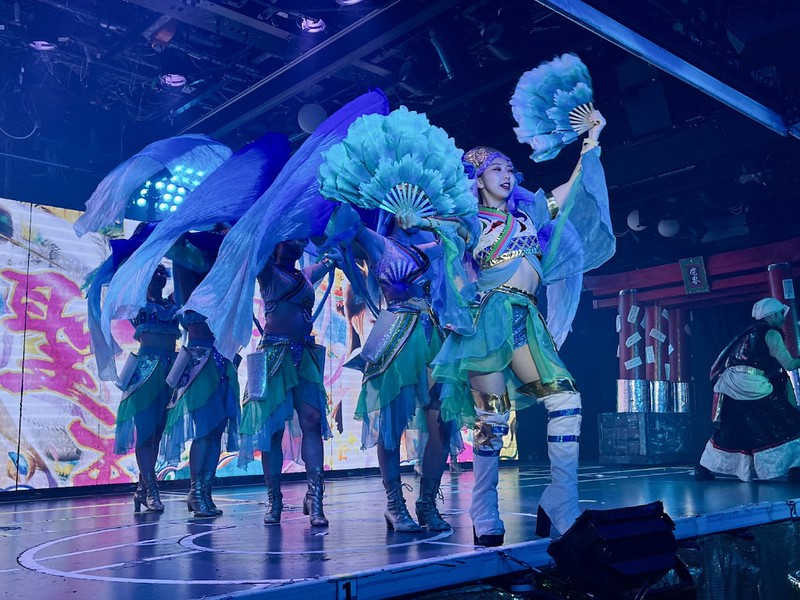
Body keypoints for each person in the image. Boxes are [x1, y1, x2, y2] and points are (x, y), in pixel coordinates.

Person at [431, 110, 611, 546]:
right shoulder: (466, 221)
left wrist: (591, 139)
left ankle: (561, 502)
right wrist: (418, 221)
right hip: (486, 324)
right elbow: (437, 242)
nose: (507, 175)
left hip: (526, 320)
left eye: (510, 169)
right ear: (477, 179)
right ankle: (484, 512)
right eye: (497, 168)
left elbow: (569, 192)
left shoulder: (529, 212)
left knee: (566, 401)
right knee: (492, 421)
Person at [346, 213, 458, 532]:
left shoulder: (433, 246)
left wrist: (436, 222)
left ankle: (427, 502)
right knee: (391, 426)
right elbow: (347, 223)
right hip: (396, 336)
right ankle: (395, 505)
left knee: (444, 424)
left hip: (432, 336)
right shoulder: (379, 242)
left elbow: (462, 233)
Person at [239, 239, 338, 526]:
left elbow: (331, 259)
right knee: (272, 430)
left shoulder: (305, 275)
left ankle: (315, 498)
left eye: (300, 240)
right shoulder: (267, 271)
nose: (296, 244)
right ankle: (274, 499)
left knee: (312, 418)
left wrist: (335, 243)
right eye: (289, 240)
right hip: (272, 355)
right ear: (276, 245)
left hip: (303, 353)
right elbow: (252, 244)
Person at [161, 231, 241, 518]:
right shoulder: (191, 279)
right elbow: (180, 253)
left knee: (216, 430)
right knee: (205, 430)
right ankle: (196, 492)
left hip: (224, 359)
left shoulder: (226, 279)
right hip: (201, 357)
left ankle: (204, 491)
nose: (222, 234)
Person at [697, 297, 800, 482]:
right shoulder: (771, 334)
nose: (783, 318)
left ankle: (704, 467)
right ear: (772, 315)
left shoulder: (745, 333)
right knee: (787, 420)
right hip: (754, 386)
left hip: (729, 386)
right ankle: (795, 466)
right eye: (780, 314)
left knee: (731, 430)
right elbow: (790, 364)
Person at [115, 263, 179, 512]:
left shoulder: (173, 303)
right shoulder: (138, 304)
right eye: (155, 270)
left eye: (164, 272)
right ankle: (152, 490)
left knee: (157, 433)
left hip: (171, 372)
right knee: (144, 434)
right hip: (144, 373)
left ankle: (142, 490)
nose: (161, 274)